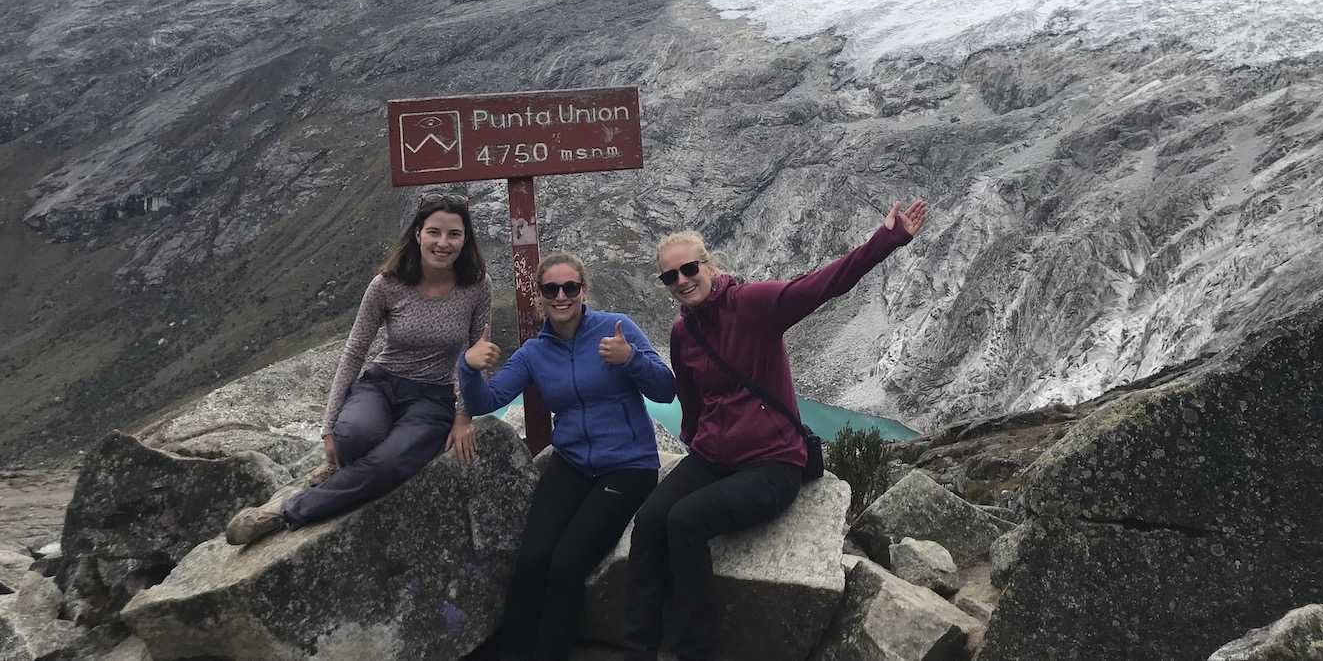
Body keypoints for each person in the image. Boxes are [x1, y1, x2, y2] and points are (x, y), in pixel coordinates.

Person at [623, 197, 929, 661]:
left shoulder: (754, 303)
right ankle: (637, 647)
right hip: (714, 457)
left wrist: (886, 239)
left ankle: (694, 650)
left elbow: (825, 284)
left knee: (684, 522)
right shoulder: (684, 333)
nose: (682, 281)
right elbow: (690, 395)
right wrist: (695, 437)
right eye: (670, 277)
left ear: (708, 265)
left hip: (773, 463)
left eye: (689, 269)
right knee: (648, 521)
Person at [224, 192, 492, 545]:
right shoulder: (387, 284)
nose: (443, 243)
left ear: (465, 239)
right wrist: (328, 429)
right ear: (417, 234)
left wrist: (463, 416)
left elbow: (478, 357)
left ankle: (283, 511)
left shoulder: (477, 286)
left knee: (388, 464)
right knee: (353, 438)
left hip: (433, 398)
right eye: (434, 232)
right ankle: (340, 469)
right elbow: (354, 352)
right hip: (382, 384)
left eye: (454, 234)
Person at [460, 251, 675, 661]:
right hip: (572, 462)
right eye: (551, 289)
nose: (561, 296)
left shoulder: (616, 329)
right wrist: (469, 368)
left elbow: (666, 389)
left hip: (629, 466)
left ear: (583, 290)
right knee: (532, 560)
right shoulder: (534, 353)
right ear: (539, 295)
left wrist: (629, 360)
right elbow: (489, 399)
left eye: (570, 287)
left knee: (566, 563)